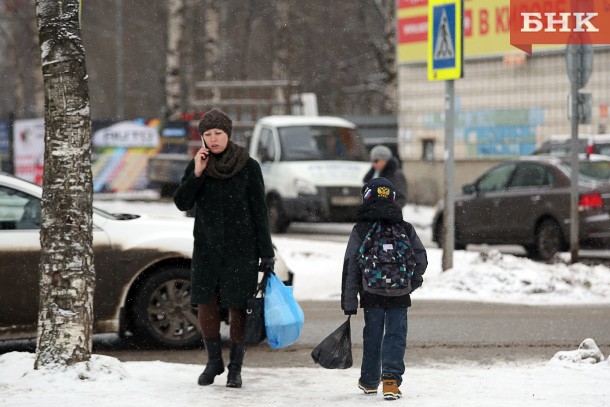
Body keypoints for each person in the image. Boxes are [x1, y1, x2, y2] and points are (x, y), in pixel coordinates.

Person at [173, 109, 276, 389]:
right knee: (205, 304)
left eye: (218, 133)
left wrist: (266, 252)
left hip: (241, 250)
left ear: (228, 134)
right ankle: (214, 361)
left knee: (237, 307)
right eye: (208, 134)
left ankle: (235, 368)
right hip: (207, 249)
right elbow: (182, 203)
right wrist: (196, 173)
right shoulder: (198, 164)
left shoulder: (249, 166)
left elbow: (260, 212)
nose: (213, 139)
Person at [341, 177, 427, 400]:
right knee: (396, 336)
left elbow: (350, 266)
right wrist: (411, 283)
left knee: (373, 335)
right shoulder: (404, 228)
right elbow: (421, 258)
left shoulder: (361, 229)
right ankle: (390, 381)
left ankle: (369, 381)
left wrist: (349, 302)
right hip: (400, 292)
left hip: (372, 292)